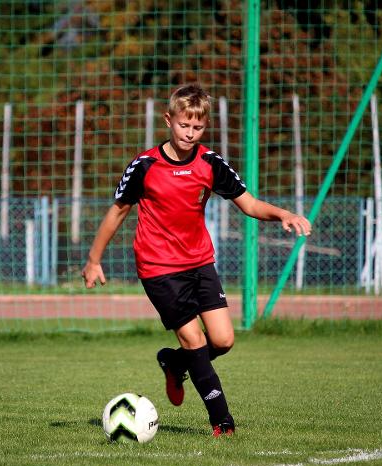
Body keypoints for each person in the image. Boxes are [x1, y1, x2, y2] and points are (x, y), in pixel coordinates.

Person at [82, 83, 311, 437]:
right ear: (169, 120)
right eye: (184, 126)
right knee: (194, 340)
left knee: (222, 341)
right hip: (159, 268)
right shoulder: (145, 165)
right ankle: (222, 421)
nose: (190, 134)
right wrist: (94, 259)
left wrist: (282, 213)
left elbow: (248, 203)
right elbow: (118, 212)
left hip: (200, 262)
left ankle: (174, 363)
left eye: (197, 127)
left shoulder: (209, 162)